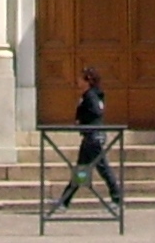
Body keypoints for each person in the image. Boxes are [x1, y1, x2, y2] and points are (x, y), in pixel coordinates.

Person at [56, 67, 121, 209]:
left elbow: (96, 112)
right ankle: (65, 200)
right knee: (81, 169)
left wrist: (83, 120)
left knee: (102, 168)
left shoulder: (90, 96)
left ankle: (117, 198)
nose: (78, 81)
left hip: (93, 137)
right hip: (90, 137)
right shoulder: (92, 95)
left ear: (88, 81)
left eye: (81, 78)